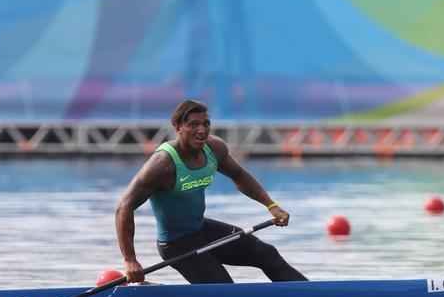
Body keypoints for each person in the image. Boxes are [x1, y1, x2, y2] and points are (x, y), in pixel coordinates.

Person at [115, 99, 308, 284]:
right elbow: (124, 207)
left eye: (206, 124)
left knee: (266, 253)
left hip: (202, 230)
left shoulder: (214, 148)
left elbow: (240, 176)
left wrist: (271, 206)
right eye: (193, 124)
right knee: (224, 288)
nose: (201, 130)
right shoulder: (162, 165)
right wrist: (130, 260)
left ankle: (309, 296)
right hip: (176, 244)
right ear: (178, 127)